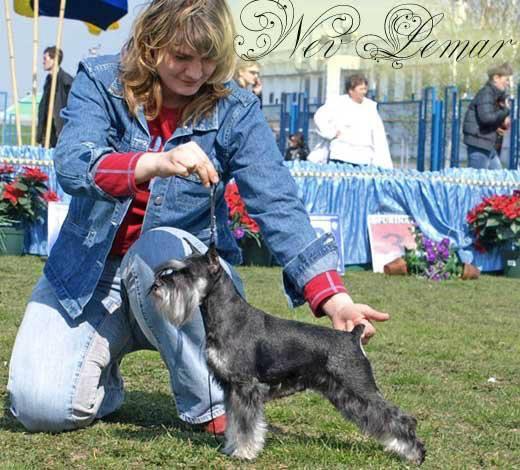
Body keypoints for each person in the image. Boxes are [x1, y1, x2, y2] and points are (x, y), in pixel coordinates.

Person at [8, 0, 389, 435]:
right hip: (87, 277)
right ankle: (100, 374)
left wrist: (333, 298)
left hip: (187, 283)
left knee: (160, 247)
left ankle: (210, 404)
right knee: (40, 408)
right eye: (182, 56)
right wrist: (153, 163)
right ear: (151, 43)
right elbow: (73, 165)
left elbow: (278, 203)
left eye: (209, 58)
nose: (195, 72)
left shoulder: (236, 109)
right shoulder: (99, 80)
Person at [313, 74, 393, 168]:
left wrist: (382, 162)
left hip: (363, 158)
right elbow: (319, 117)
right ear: (351, 90)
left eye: (365, 89)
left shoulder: (370, 107)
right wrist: (331, 133)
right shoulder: (338, 103)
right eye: (361, 89)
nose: (364, 92)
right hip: (340, 155)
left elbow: (378, 135)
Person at [463, 63, 513, 170]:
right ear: (496, 78)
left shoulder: (495, 96)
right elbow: (487, 119)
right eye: (506, 79)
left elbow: (491, 118)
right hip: (479, 145)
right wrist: (505, 111)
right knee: (477, 179)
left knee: (498, 177)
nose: (508, 83)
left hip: (487, 145)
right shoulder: (486, 94)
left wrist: (501, 124)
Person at [37, 46, 74, 147]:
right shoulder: (48, 80)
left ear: (54, 60)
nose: (43, 62)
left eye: (45, 58)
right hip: (47, 132)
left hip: (60, 131)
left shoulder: (66, 81)